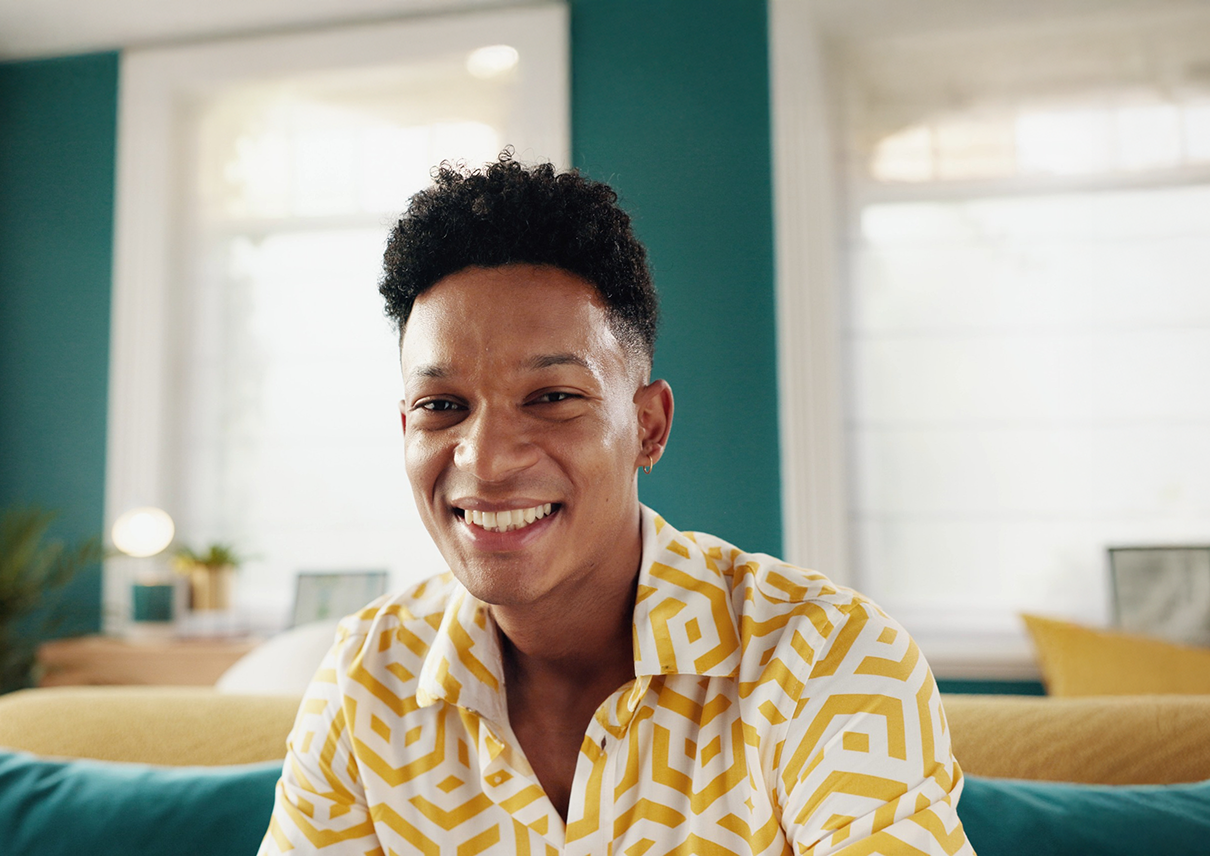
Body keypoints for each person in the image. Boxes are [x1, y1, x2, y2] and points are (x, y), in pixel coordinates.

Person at [260, 154, 974, 855]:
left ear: (648, 427)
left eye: (552, 398)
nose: (485, 458)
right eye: (441, 405)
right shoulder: (366, 680)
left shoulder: (826, 659)